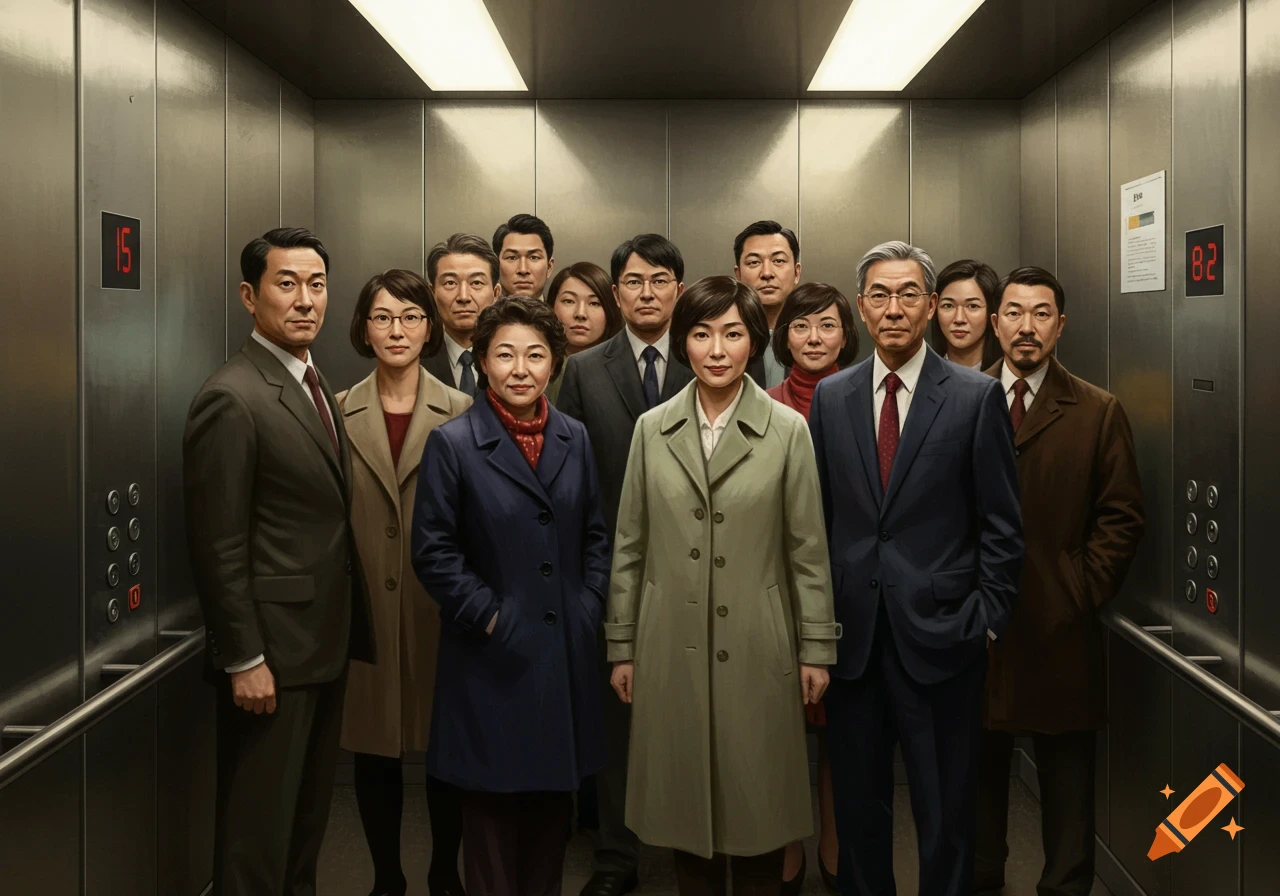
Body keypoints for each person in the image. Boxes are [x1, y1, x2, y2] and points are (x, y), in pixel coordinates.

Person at [605, 276, 839, 895]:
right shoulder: (651, 429)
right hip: (668, 643)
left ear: (754, 343)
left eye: (733, 334)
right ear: (683, 343)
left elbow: (808, 552)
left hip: (761, 647)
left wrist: (816, 647)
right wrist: (621, 644)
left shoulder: (789, 430)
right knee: (686, 823)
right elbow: (628, 546)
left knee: (759, 814)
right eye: (703, 333)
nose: (717, 349)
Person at [808, 240, 1023, 896]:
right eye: (879, 295)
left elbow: (1003, 526)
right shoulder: (832, 396)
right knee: (859, 813)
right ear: (860, 309)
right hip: (854, 641)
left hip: (945, 640)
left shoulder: (974, 397)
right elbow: (815, 520)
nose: (893, 308)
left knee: (945, 819)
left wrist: (985, 621)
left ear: (930, 307)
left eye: (908, 295)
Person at [183, 227, 376, 895]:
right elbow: (218, 542)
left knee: (303, 825)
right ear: (249, 295)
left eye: (316, 285)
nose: (304, 300)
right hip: (270, 656)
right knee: (256, 838)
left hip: (318, 643)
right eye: (286, 284)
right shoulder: (232, 397)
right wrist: (243, 657)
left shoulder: (310, 382)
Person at [411, 296, 611, 896]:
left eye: (535, 354)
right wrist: (492, 617)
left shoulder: (573, 435)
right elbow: (434, 554)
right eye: (504, 354)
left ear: (555, 364)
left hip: (563, 654)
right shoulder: (453, 443)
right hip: (490, 659)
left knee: (552, 818)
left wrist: (589, 606)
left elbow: (596, 536)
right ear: (480, 362)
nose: (520, 368)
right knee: (492, 827)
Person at [975, 267, 1144, 896]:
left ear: (1060, 325)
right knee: (977, 783)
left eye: (1041, 314)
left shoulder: (1098, 410)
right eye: (1013, 313)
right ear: (995, 323)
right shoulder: (962, 398)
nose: (1026, 327)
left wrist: (1080, 589)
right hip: (976, 624)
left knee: (1068, 788)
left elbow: (1122, 517)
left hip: (1060, 625)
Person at [556, 233, 695, 896]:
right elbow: (571, 482)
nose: (647, 293)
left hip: (701, 571)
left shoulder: (710, 356)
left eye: (660, 280)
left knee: (695, 711)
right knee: (617, 718)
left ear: (679, 290)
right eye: (634, 282)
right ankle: (616, 857)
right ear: (617, 294)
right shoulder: (582, 372)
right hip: (612, 570)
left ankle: (692, 845)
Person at [336, 270, 471, 896]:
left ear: (431, 327)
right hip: (364, 605)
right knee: (374, 747)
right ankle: (386, 877)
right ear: (364, 327)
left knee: (446, 750)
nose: (398, 330)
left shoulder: (465, 411)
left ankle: (445, 871)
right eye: (383, 317)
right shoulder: (337, 411)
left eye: (412, 316)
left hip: (438, 605)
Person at [764, 281, 859, 894]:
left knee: (838, 727)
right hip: (770, 587)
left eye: (826, 325)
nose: (814, 338)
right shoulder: (763, 403)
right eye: (801, 326)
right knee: (773, 725)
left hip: (843, 587)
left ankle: (833, 838)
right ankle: (784, 841)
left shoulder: (862, 400)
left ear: (846, 334)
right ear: (783, 336)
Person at [422, 233, 501, 396]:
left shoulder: (515, 360)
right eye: (450, 283)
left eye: (476, 283)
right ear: (432, 293)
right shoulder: (414, 362)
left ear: (496, 293)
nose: (463, 296)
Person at [733, 220, 802, 389]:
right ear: (738, 274)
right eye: (754, 262)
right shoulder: (726, 338)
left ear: (796, 272)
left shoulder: (815, 337)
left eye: (778, 261)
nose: (766, 273)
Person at [544, 261, 624, 403]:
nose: (580, 314)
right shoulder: (535, 368)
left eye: (594, 303)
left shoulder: (626, 370)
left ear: (610, 311)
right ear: (551, 305)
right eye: (569, 301)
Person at [929, 259, 1002, 370]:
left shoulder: (1008, 377)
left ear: (992, 313)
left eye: (973, 306)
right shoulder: (922, 375)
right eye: (948, 306)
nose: (959, 319)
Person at [493, 212, 555, 298]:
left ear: (549, 267)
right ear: (496, 266)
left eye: (534, 257)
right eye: (512, 257)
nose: (523, 270)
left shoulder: (562, 311)